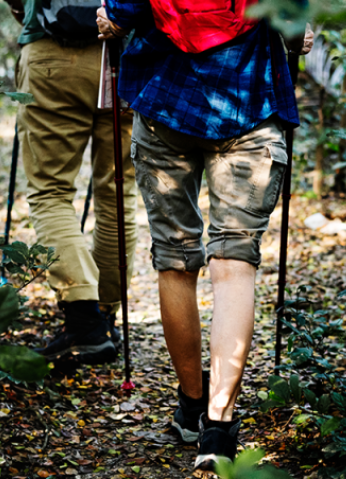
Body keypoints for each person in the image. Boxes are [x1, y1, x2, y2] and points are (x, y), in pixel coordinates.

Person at [98, 2, 312, 470]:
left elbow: (121, 11)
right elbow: (295, 22)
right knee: (234, 266)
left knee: (175, 259)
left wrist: (110, 17)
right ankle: (218, 428)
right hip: (250, 104)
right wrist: (299, 37)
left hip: (165, 104)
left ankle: (192, 407)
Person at [4, 0, 138, 365]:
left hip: (52, 56)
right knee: (118, 190)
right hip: (125, 55)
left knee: (50, 191)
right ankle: (105, 318)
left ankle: (84, 321)